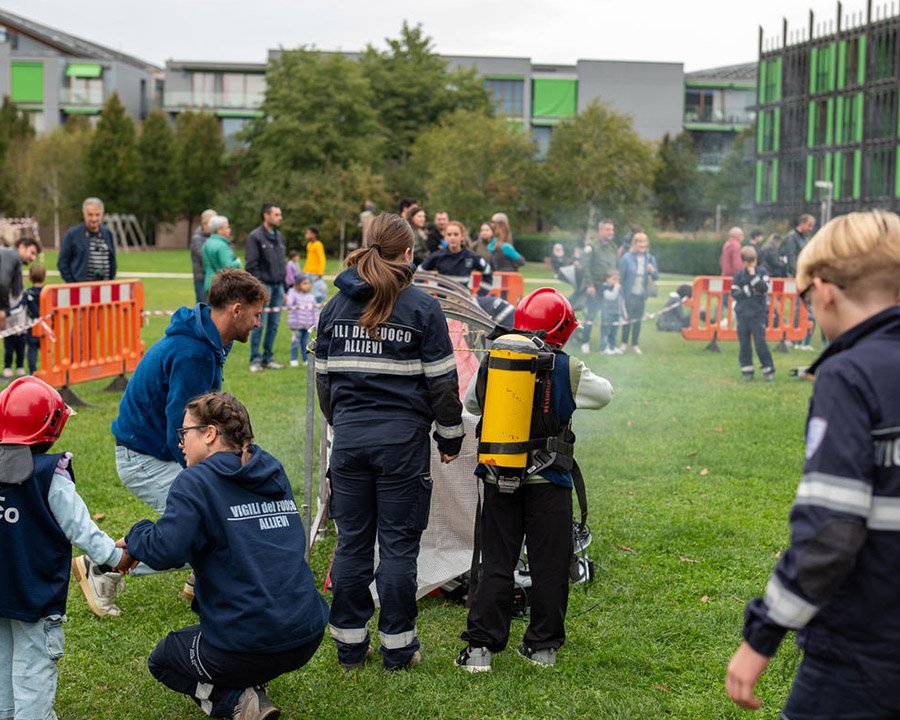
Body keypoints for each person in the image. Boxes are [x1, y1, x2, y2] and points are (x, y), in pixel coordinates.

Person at [726, 209, 900, 718]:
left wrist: (762, 635)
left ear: (824, 290)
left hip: (860, 648)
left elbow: (831, 531)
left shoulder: (848, 374)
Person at [314, 212, 464, 671]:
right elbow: (443, 385)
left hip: (351, 443)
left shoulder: (334, 308)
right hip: (402, 447)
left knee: (353, 545)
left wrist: (344, 424)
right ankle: (399, 649)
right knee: (398, 547)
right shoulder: (422, 308)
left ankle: (349, 649)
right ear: (408, 253)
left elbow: (324, 386)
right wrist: (451, 437)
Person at [70, 270, 268, 619]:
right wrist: (210, 483)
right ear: (236, 309)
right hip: (143, 458)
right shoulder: (194, 352)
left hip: (153, 451)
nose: (258, 322)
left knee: (216, 516)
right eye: (256, 314)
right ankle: (103, 567)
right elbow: (181, 432)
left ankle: (199, 577)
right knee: (204, 526)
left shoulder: (206, 340)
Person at [124, 392, 328, 720]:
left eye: (184, 433)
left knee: (163, 659)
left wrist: (135, 537)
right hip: (306, 631)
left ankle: (233, 697)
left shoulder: (195, 481)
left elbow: (166, 550)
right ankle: (250, 682)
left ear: (209, 433)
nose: (180, 444)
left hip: (250, 642)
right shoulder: (272, 469)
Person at [455, 288, 613, 672]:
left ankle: (480, 651)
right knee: (550, 564)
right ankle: (542, 648)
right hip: (548, 481)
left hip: (498, 476)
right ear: (561, 329)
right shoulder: (568, 366)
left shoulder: (494, 360)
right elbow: (605, 394)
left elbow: (471, 405)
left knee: (496, 561)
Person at [0, 377, 134, 720]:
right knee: (33, 667)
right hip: (34, 592)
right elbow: (81, 529)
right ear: (52, 428)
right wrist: (113, 556)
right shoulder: (50, 476)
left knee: (2, 661)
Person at [246, 203, 287, 372]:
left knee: (274, 324)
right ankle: (255, 359)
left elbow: (282, 264)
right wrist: (260, 288)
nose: (280, 218)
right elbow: (251, 265)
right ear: (266, 215)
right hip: (263, 287)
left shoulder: (280, 237)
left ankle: (267, 357)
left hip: (278, 287)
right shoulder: (255, 237)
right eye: (277, 214)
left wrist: (285, 288)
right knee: (258, 324)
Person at [729, 246, 774, 381]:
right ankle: (747, 370)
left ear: (756, 260)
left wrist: (754, 276)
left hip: (757, 313)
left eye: (752, 262)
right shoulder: (739, 275)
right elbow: (735, 293)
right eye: (747, 262)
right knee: (744, 344)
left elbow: (764, 288)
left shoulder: (762, 272)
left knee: (760, 342)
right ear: (742, 262)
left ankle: (768, 369)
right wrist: (750, 290)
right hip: (742, 313)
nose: (750, 265)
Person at [419, 221, 493, 295]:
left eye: (456, 234)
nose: (452, 238)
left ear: (462, 236)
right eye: (449, 235)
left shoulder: (471, 256)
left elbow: (488, 272)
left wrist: (480, 294)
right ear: (445, 237)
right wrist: (423, 293)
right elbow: (419, 272)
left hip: (463, 301)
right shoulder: (437, 256)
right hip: (443, 301)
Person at [57, 197, 116, 284]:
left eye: (97, 215)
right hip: (80, 290)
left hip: (105, 289)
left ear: (102, 215)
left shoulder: (107, 233)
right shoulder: (72, 234)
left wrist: (111, 280)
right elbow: (62, 263)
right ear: (84, 214)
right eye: (90, 215)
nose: (94, 219)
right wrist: (73, 284)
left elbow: (112, 260)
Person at [618, 232, 659, 354]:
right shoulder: (627, 258)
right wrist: (623, 296)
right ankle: (624, 343)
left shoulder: (650, 258)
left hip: (642, 295)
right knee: (627, 319)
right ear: (635, 244)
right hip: (629, 294)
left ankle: (635, 344)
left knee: (638, 320)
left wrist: (652, 271)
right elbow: (621, 277)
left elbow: (656, 276)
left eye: (644, 242)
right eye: (639, 242)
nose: (642, 244)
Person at [581, 219, 618, 353]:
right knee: (591, 315)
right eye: (608, 229)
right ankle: (585, 342)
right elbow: (585, 267)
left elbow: (614, 266)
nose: (611, 232)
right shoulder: (592, 246)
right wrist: (590, 285)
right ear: (600, 231)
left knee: (607, 316)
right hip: (595, 287)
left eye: (612, 230)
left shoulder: (613, 247)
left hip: (609, 287)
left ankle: (606, 345)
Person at [201, 216, 242, 294]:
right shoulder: (222, 246)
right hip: (221, 285)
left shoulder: (206, 243)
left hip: (209, 282)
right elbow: (227, 267)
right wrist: (237, 262)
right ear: (219, 230)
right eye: (227, 227)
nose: (229, 230)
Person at [286, 272, 318, 367]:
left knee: (306, 343)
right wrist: (291, 292)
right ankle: (293, 359)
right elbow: (289, 305)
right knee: (295, 342)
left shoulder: (311, 297)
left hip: (307, 325)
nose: (307, 285)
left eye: (308, 283)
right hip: (296, 325)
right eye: (304, 283)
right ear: (298, 285)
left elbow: (314, 312)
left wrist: (315, 323)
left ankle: (305, 360)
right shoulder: (293, 294)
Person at [23, 263, 46, 375]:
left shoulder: (28, 293)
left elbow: (22, 307)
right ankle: (47, 370)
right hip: (45, 327)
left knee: (32, 350)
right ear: (44, 277)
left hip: (32, 327)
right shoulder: (47, 293)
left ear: (30, 277)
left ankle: (33, 371)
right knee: (46, 350)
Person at [190, 209, 216, 304]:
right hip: (202, 277)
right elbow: (203, 255)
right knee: (203, 306)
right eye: (211, 223)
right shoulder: (197, 238)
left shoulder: (212, 236)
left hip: (212, 277)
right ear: (204, 223)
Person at [599, 269, 625, 355]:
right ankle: (603, 348)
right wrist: (616, 288)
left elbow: (621, 301)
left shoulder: (617, 288)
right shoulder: (605, 287)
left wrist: (624, 313)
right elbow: (611, 297)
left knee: (614, 332)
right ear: (607, 279)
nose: (617, 282)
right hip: (607, 313)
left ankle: (612, 347)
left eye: (618, 279)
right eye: (614, 279)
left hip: (616, 313)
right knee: (606, 331)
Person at [783, 213, 816, 278]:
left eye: (812, 226)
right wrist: (798, 273)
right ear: (801, 224)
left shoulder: (805, 238)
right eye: (809, 226)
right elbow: (791, 257)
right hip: (794, 275)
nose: (811, 229)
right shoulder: (792, 237)